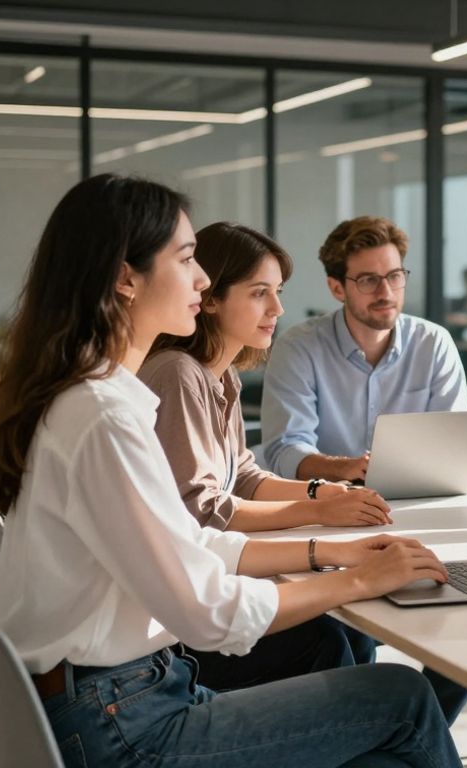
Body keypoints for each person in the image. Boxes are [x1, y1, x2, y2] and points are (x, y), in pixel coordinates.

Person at [0, 174, 461, 767]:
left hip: (113, 701)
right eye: (185, 258)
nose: (201, 279)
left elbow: (193, 542)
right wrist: (359, 581)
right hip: (124, 726)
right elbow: (205, 613)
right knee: (403, 697)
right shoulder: (102, 419)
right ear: (125, 278)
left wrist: (335, 554)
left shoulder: (93, 400)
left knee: (382, 745)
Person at [138, 222, 391, 691]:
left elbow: (245, 477)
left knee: (347, 633)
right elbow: (205, 512)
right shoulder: (178, 374)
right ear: (210, 297)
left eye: (277, 292)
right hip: (176, 635)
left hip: (195, 596)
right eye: (259, 293)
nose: (277, 309)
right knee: (330, 636)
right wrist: (317, 510)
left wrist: (323, 491)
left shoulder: (221, 376)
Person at [260, 216, 467, 483]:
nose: (386, 293)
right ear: (337, 288)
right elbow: (286, 450)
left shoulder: (433, 343)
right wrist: (346, 468)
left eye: (394, 276)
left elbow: (458, 445)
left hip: (419, 496)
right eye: (368, 280)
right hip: (328, 504)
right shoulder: (298, 348)